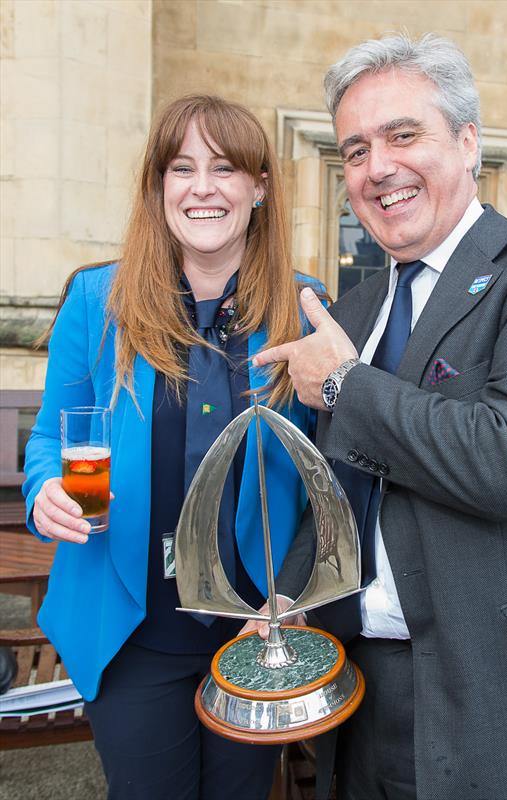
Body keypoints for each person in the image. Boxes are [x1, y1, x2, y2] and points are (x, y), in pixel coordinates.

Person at [254, 34, 507, 800]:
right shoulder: (358, 306)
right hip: (365, 692)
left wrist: (343, 382)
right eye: (355, 150)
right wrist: (291, 592)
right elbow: (343, 487)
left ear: (469, 142)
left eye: (403, 135)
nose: (378, 168)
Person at [23, 95, 324, 800]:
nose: (203, 187)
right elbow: (49, 437)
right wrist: (44, 490)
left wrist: (301, 592)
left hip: (257, 628)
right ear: (159, 187)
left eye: (225, 168)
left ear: (259, 187)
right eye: (182, 167)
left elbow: (328, 475)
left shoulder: (307, 308)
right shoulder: (98, 300)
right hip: (129, 624)